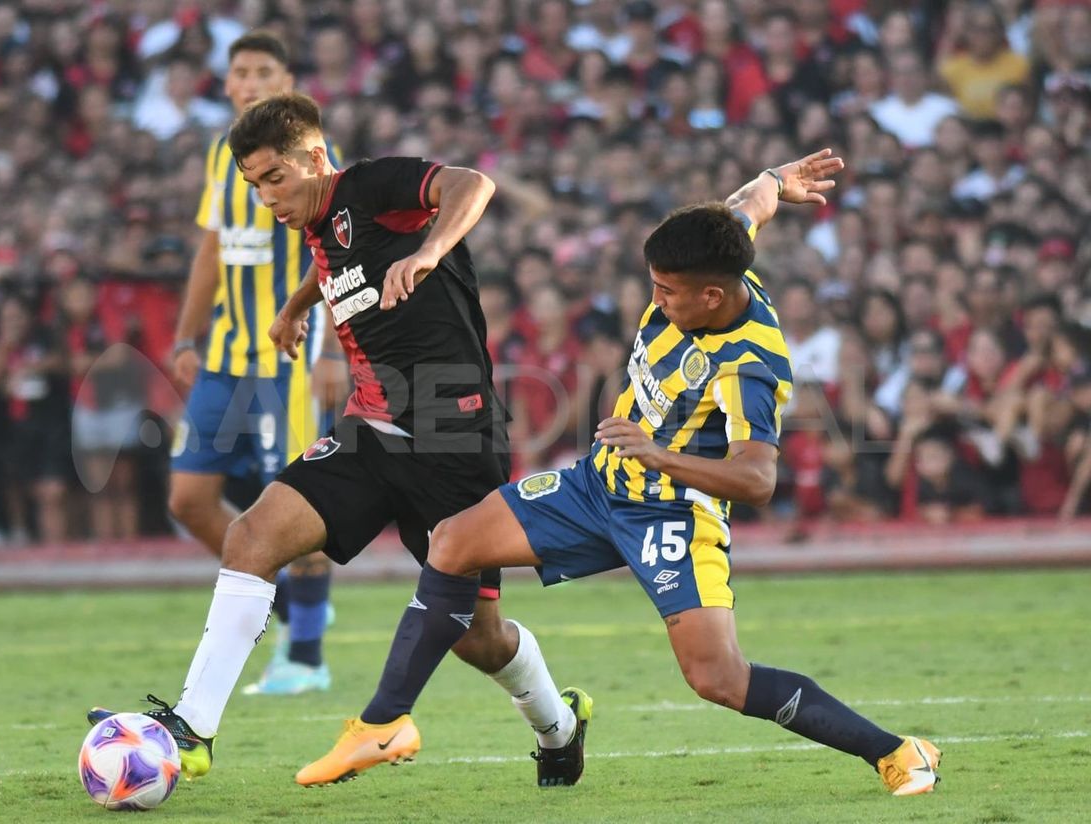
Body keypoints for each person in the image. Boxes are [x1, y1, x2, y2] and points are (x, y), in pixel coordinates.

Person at [308, 150, 944, 798]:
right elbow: (749, 202)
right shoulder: (712, 254)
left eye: (667, 292)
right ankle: (385, 722)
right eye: (654, 284)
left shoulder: (751, 363)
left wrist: (658, 454)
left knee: (717, 679)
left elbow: (757, 480)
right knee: (451, 543)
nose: (656, 298)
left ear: (713, 296)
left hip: (672, 513)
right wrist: (778, 181)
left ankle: (894, 749)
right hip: (599, 485)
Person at [91, 91, 587, 789]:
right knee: (250, 539)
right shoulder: (321, 226)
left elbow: (473, 184)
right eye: (254, 185)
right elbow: (337, 269)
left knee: (480, 638)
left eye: (275, 179)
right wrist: (295, 308)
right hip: (370, 430)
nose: (267, 198)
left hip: (451, 433)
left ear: (315, 159)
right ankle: (192, 730)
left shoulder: (372, 186)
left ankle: (559, 724)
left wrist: (432, 250)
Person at [166, 32, 335, 697]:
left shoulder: (309, 155)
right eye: (240, 71)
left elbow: (334, 252)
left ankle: (307, 657)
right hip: (224, 357)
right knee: (188, 498)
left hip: (287, 359)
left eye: (265, 70)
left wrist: (325, 352)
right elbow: (212, 248)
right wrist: (186, 336)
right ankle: (291, 610)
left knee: (296, 512)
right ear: (227, 83)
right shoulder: (222, 153)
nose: (251, 81)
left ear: (287, 80)